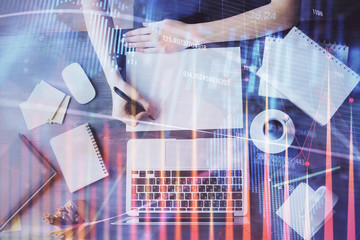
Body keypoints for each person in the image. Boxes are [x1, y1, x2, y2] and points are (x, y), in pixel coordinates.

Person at [82, 0, 300, 126]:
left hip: (242, 32)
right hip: (157, 39)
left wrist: (188, 35)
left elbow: (286, 10)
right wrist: (114, 80)